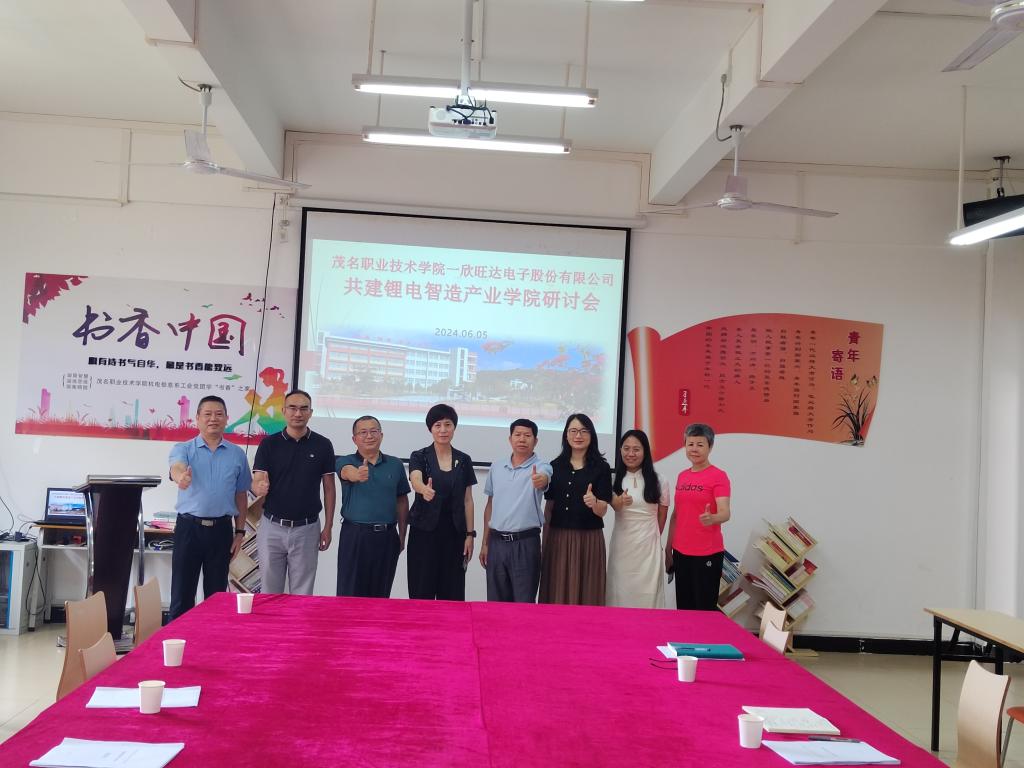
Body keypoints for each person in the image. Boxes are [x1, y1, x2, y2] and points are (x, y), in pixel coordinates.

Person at [168, 395, 252, 619]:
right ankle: (178, 639)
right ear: (197, 418)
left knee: (216, 596)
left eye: (218, 414)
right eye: (207, 414)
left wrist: (240, 532)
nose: (213, 419)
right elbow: (176, 467)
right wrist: (181, 477)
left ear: (226, 419)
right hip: (189, 529)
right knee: (182, 594)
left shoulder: (237, 454)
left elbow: (241, 495)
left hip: (221, 531)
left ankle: (212, 639)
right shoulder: (184, 448)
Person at [250, 390, 336, 595]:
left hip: (307, 528)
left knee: (302, 593)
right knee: (270, 591)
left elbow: (329, 488)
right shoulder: (269, 444)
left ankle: (299, 619)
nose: (298, 413)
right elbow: (257, 480)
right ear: (284, 411)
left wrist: (328, 526)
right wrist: (258, 487)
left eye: (304, 409)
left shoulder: (323, 445)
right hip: (272, 527)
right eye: (293, 408)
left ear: (311, 413)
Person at [539, 413, 612, 606]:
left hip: (589, 539)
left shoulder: (601, 468)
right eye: (573, 431)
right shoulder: (555, 466)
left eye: (583, 431)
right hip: (558, 537)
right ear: (566, 435)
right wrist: (546, 537)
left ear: (591, 435)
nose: (578, 435)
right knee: (557, 588)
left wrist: (594, 502)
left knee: (588, 589)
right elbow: (550, 505)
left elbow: (603, 510)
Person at [335, 415, 410, 597]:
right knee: (349, 593)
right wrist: (357, 474)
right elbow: (346, 472)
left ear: (381, 435)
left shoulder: (395, 464)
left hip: (387, 537)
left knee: (381, 594)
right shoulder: (345, 461)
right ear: (354, 439)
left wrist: (402, 535)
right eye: (363, 432)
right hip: (355, 536)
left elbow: (402, 501)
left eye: (373, 431)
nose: (369, 436)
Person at [407, 404, 477, 601]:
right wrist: (423, 489)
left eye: (448, 424)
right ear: (430, 428)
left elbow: (468, 500)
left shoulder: (464, 460)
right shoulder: (419, 456)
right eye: (437, 425)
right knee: (422, 589)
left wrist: (470, 535)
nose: (443, 430)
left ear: (454, 427)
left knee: (452, 592)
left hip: (455, 534)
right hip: (424, 533)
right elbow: (415, 478)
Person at [480, 419, 552, 602]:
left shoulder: (542, 466)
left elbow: (544, 478)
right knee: (495, 602)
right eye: (517, 435)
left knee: (523, 603)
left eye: (527, 435)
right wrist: (485, 543)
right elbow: (490, 505)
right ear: (510, 439)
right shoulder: (497, 467)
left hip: (525, 543)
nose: (522, 439)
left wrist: (541, 480)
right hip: (496, 543)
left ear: (535, 441)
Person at [664, 423, 732, 611]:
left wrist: (713, 518)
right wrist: (668, 549)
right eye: (690, 444)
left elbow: (725, 512)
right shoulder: (682, 476)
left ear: (710, 447)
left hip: (707, 553)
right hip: (680, 552)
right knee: (684, 608)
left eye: (700, 444)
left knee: (704, 609)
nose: (694, 449)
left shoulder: (718, 476)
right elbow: (676, 516)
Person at [606, 430, 668, 609]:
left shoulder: (659, 480)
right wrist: (618, 501)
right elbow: (610, 506)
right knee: (619, 591)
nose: (631, 454)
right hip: (622, 545)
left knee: (648, 594)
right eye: (626, 449)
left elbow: (662, 515)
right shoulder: (613, 479)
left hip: (648, 547)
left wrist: (653, 537)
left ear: (645, 451)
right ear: (620, 450)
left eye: (636, 449)